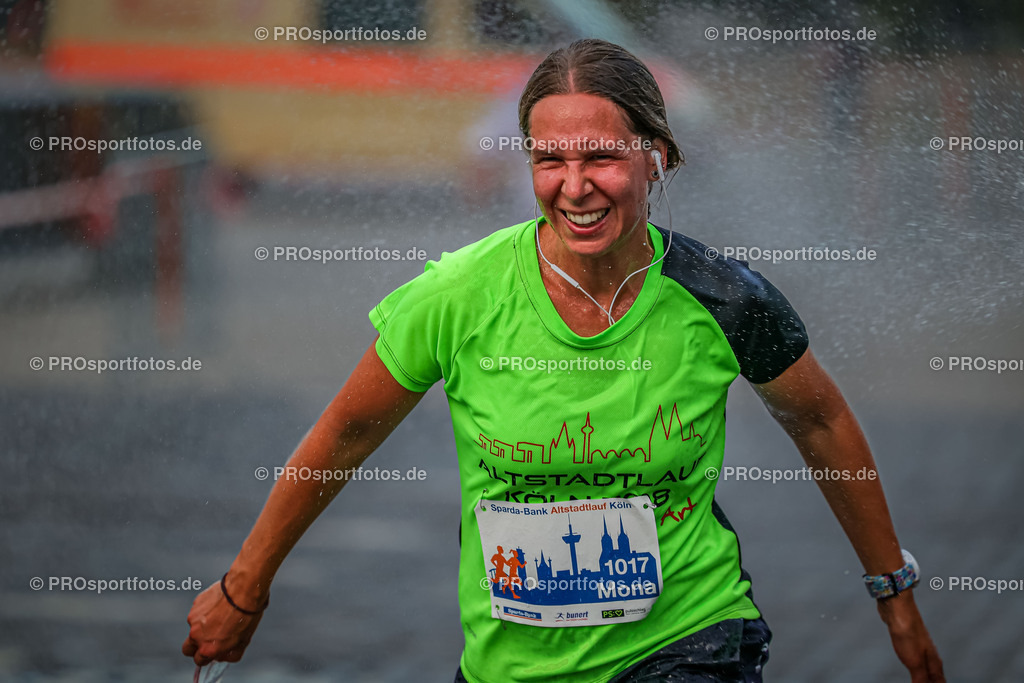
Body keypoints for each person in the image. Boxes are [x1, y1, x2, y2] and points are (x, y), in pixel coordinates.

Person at [182, 39, 945, 682]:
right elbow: (344, 434)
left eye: (602, 159)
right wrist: (245, 585)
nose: (574, 187)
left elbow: (822, 421)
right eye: (550, 160)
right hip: (509, 662)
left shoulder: (726, 300)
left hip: (687, 638)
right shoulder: (459, 294)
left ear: (659, 157)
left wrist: (895, 594)